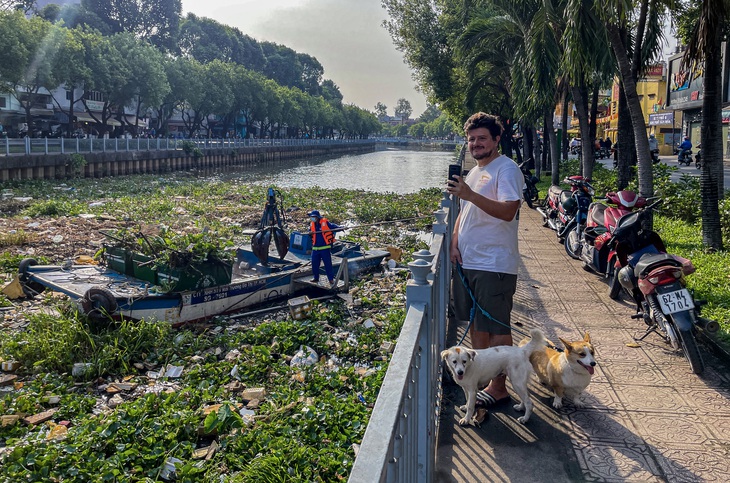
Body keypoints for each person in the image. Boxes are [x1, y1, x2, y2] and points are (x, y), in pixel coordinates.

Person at [446, 112, 524, 408]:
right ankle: (480, 383)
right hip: (469, 262)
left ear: (496, 140)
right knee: (478, 326)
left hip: (494, 263)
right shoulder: (475, 171)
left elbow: (508, 211)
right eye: (471, 139)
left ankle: (500, 387)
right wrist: (454, 242)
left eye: (481, 138)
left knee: (497, 328)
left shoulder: (506, 169)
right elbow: (465, 212)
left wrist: (468, 193)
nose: (475, 144)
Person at [307, 210, 340, 286]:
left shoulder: (325, 223)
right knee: (314, 264)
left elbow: (333, 226)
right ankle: (316, 278)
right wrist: (310, 233)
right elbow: (309, 233)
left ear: (317, 217)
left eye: (313, 217)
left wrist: (342, 228)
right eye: (311, 217)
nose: (312, 218)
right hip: (315, 249)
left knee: (328, 264)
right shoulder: (312, 224)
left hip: (324, 248)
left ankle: (331, 279)